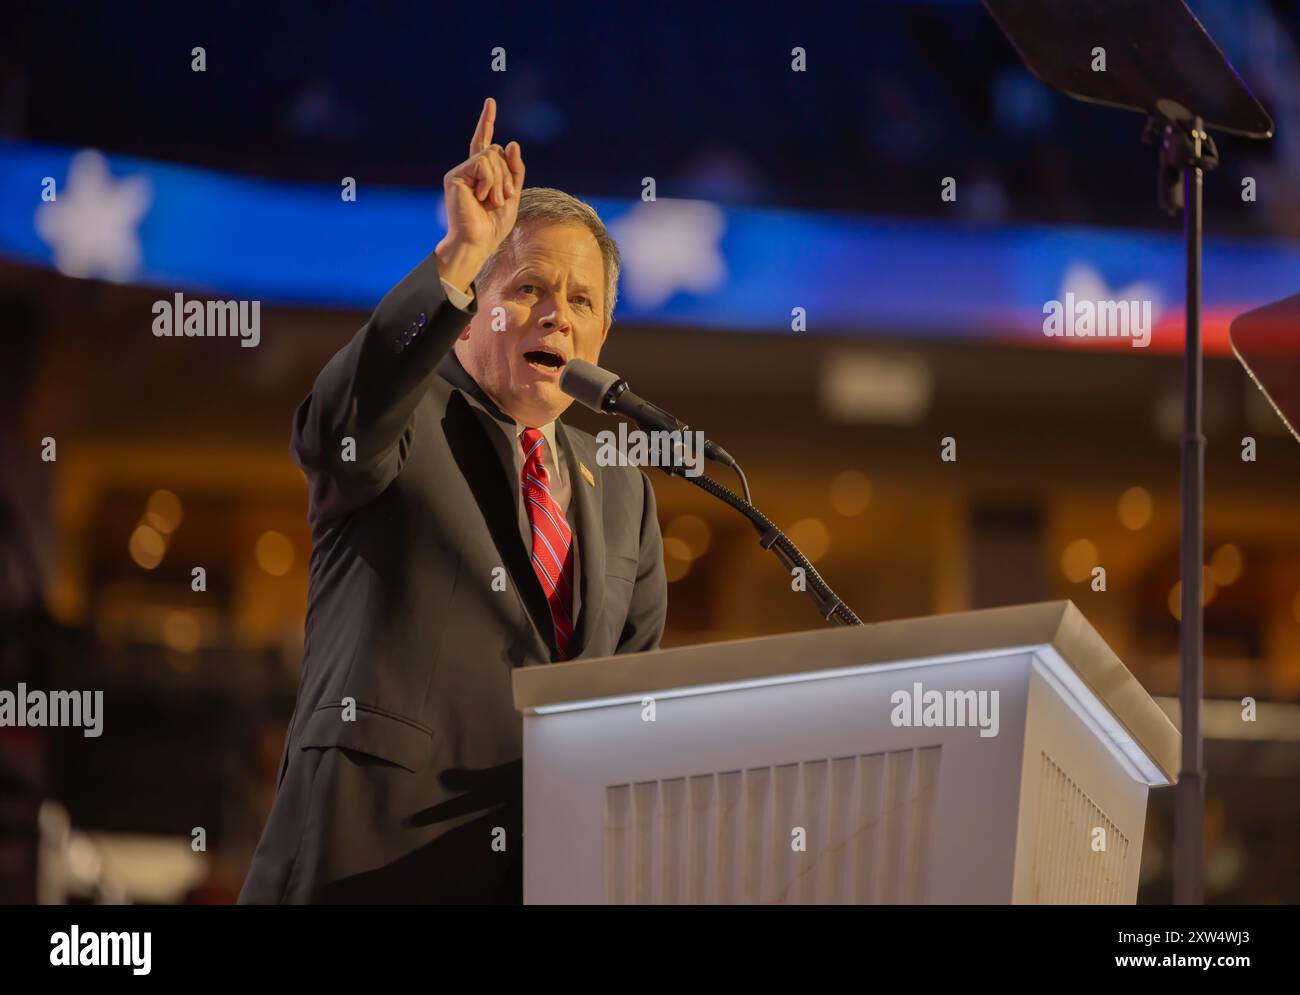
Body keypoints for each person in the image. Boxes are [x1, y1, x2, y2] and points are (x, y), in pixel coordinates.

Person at [239, 98, 667, 903]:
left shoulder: (624, 493)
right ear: (467, 317)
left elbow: (623, 706)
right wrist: (462, 252)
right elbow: (338, 426)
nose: (557, 315)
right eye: (531, 286)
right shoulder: (406, 418)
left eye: (582, 302)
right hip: (366, 862)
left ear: (604, 334)